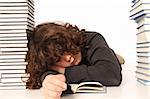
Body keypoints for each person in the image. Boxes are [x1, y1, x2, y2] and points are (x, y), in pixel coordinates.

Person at [26, 22, 122, 99]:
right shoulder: (47, 64)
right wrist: (47, 77)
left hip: (99, 54)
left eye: (65, 48)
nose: (68, 58)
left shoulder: (92, 39)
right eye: (58, 59)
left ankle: (112, 56)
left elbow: (112, 73)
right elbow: (42, 74)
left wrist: (63, 71)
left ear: (69, 39)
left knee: (110, 60)